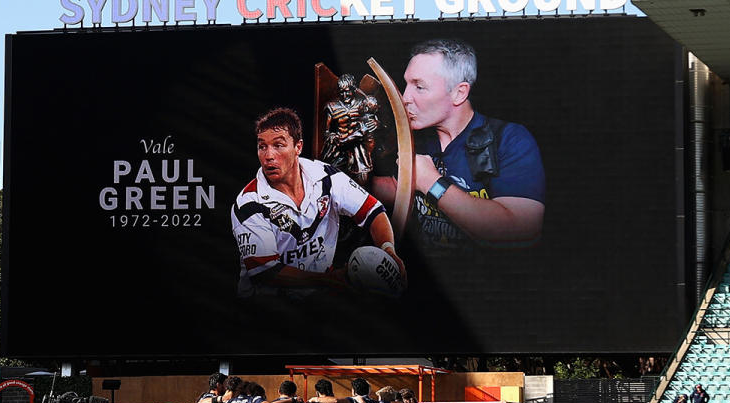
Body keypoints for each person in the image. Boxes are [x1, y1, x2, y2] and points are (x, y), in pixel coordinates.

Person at [372, 38, 545, 247]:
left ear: (459, 92)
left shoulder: (510, 140)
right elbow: (400, 187)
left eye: (419, 86)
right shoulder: (417, 138)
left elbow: (521, 228)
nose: (405, 97)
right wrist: (347, 176)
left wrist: (431, 182)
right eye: (406, 84)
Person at [231, 107, 405, 298]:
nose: (268, 155)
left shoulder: (327, 178)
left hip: (319, 300)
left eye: (278, 145)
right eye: (262, 146)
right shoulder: (248, 203)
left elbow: (373, 211)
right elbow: (266, 272)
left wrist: (388, 249)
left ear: (298, 147)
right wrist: (329, 280)